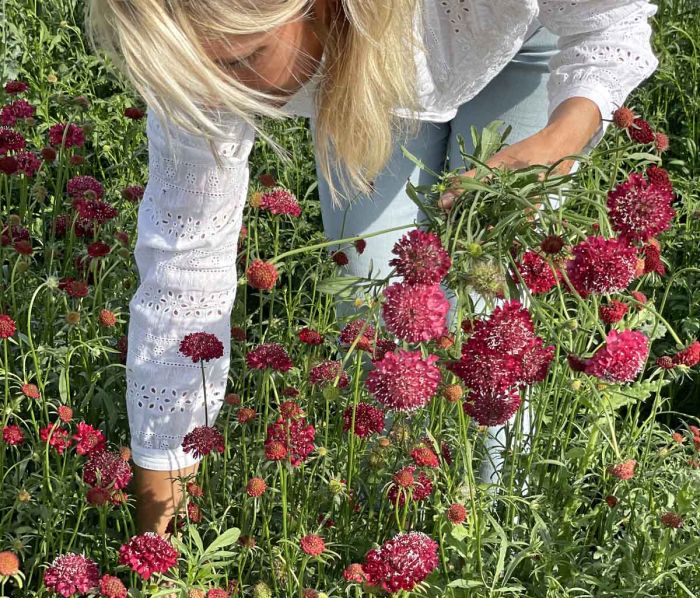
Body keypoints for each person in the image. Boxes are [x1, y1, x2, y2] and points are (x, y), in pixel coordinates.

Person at [86, 0, 659, 534]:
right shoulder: (199, 48)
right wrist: (160, 547)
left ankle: (498, 530)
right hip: (356, 67)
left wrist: (559, 139)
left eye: (241, 60)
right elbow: (184, 269)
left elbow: (610, 20)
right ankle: (400, 521)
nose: (220, 94)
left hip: (520, 37)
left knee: (493, 325)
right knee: (370, 310)